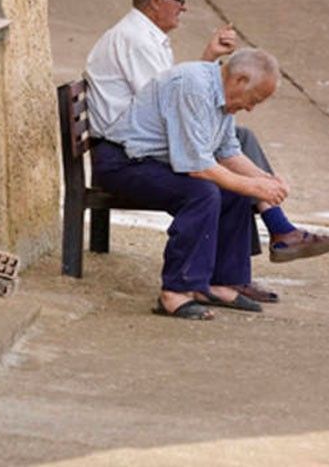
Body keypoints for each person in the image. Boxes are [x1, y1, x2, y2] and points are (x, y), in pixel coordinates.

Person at [84, 0, 329, 303]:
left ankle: (229, 277)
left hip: (144, 143)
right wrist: (255, 185)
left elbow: (182, 99)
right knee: (209, 186)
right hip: (125, 151)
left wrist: (265, 180)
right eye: (180, 0)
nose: (185, 7)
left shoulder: (152, 40)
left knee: (234, 155)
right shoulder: (136, 40)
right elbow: (172, 100)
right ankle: (190, 283)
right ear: (156, 0)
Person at [93, 49, 286, 319]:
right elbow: (197, 167)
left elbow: (228, 151)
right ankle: (175, 292)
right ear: (240, 80)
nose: (251, 108)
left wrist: (264, 180)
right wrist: (254, 187)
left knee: (235, 189)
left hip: (153, 162)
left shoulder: (221, 91)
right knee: (203, 192)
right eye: (253, 99)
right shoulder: (193, 88)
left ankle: (220, 282)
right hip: (124, 164)